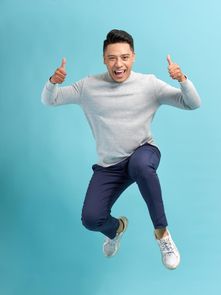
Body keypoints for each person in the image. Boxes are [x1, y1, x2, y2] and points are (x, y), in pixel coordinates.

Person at [41, 29, 201, 270]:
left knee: (141, 166)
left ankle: (162, 234)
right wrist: (53, 83)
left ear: (133, 57)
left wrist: (183, 79)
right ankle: (116, 230)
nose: (119, 64)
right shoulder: (89, 86)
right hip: (110, 167)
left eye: (125, 57)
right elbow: (49, 100)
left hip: (143, 153)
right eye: (112, 58)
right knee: (91, 219)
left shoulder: (149, 84)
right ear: (104, 59)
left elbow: (192, 103)